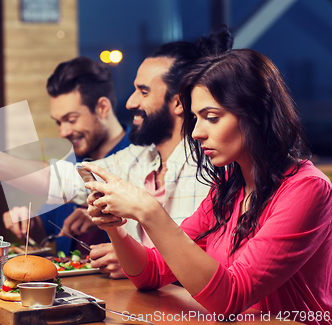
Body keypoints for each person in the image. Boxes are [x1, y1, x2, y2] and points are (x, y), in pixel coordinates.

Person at [0, 26, 232, 278]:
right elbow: (62, 179)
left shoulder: (211, 166)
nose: (130, 101)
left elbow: (209, 260)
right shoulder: (139, 159)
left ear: (178, 102)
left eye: (143, 92)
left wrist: (140, 261)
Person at [84, 49, 332, 320]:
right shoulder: (228, 187)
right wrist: (115, 227)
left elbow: (231, 297)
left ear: (255, 114)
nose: (196, 133)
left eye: (211, 117)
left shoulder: (308, 189)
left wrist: (149, 211)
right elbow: (150, 273)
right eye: (196, 118)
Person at [2, 56, 131, 255]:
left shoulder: (142, 158)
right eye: (58, 122)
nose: (63, 132)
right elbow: (48, 230)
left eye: (71, 119)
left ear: (102, 108)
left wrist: (102, 221)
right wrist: (27, 222)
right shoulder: (72, 162)